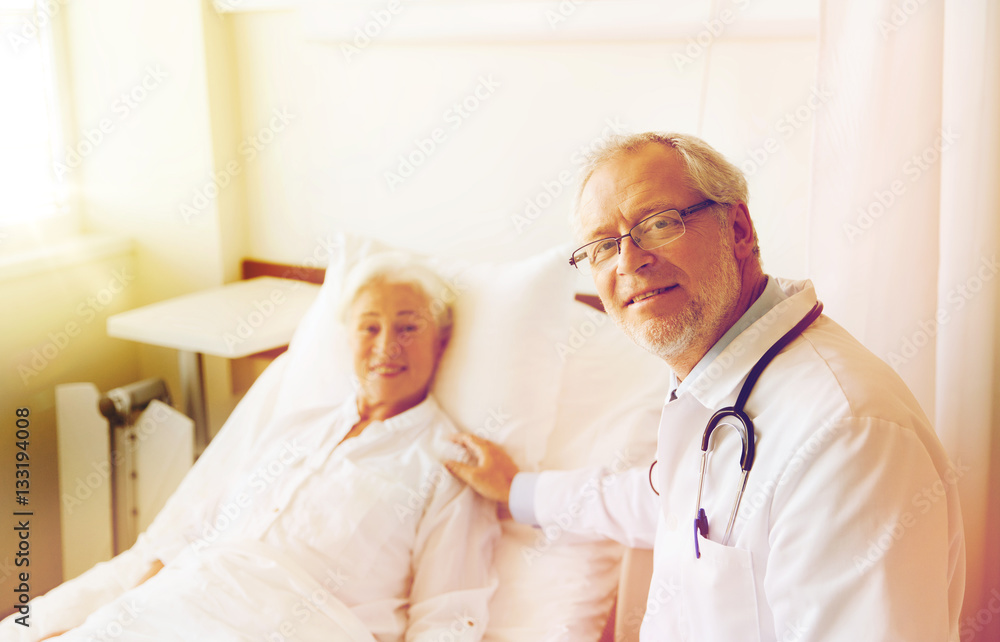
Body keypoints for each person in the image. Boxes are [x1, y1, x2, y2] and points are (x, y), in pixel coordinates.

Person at [446, 132, 965, 641]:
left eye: (658, 223)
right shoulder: (717, 389)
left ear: (738, 229)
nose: (629, 261)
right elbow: (658, 502)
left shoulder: (845, 436)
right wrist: (519, 491)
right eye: (603, 246)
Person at [11, 255, 499, 642]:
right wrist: (110, 617)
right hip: (187, 601)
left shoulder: (450, 464)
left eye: (409, 327)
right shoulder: (296, 425)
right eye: (369, 326)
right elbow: (193, 533)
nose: (386, 344)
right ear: (347, 336)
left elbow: (447, 618)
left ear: (442, 340)